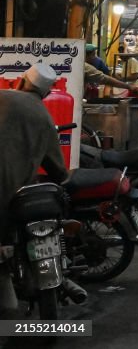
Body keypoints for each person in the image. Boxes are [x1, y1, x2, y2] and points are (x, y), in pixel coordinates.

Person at [0, 64, 72, 314]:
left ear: (20, 82)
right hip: (18, 197)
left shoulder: (2, 96)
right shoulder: (44, 117)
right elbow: (57, 170)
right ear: (45, 93)